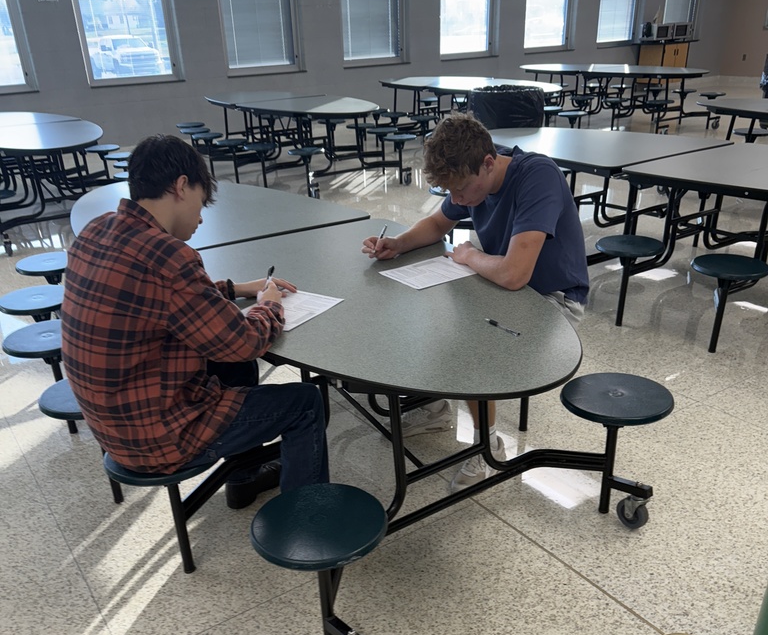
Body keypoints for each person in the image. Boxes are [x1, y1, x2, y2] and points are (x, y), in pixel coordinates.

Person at [61, 133, 329, 510]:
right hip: (156, 438)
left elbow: (167, 301)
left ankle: (243, 481)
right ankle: (308, 520)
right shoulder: (170, 256)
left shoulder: (96, 231)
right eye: (201, 203)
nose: (201, 217)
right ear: (181, 186)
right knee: (304, 402)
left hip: (111, 426)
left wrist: (238, 287)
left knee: (231, 366)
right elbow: (246, 341)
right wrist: (268, 303)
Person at [362, 110, 589, 491]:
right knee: (428, 312)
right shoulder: (474, 172)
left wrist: (469, 256)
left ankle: (487, 447)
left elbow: (516, 275)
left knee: (469, 346)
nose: (458, 199)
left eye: (461, 190)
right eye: (450, 192)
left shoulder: (537, 177)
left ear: (488, 164)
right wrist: (397, 245)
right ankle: (435, 409)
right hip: (504, 285)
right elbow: (437, 224)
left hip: (553, 300)